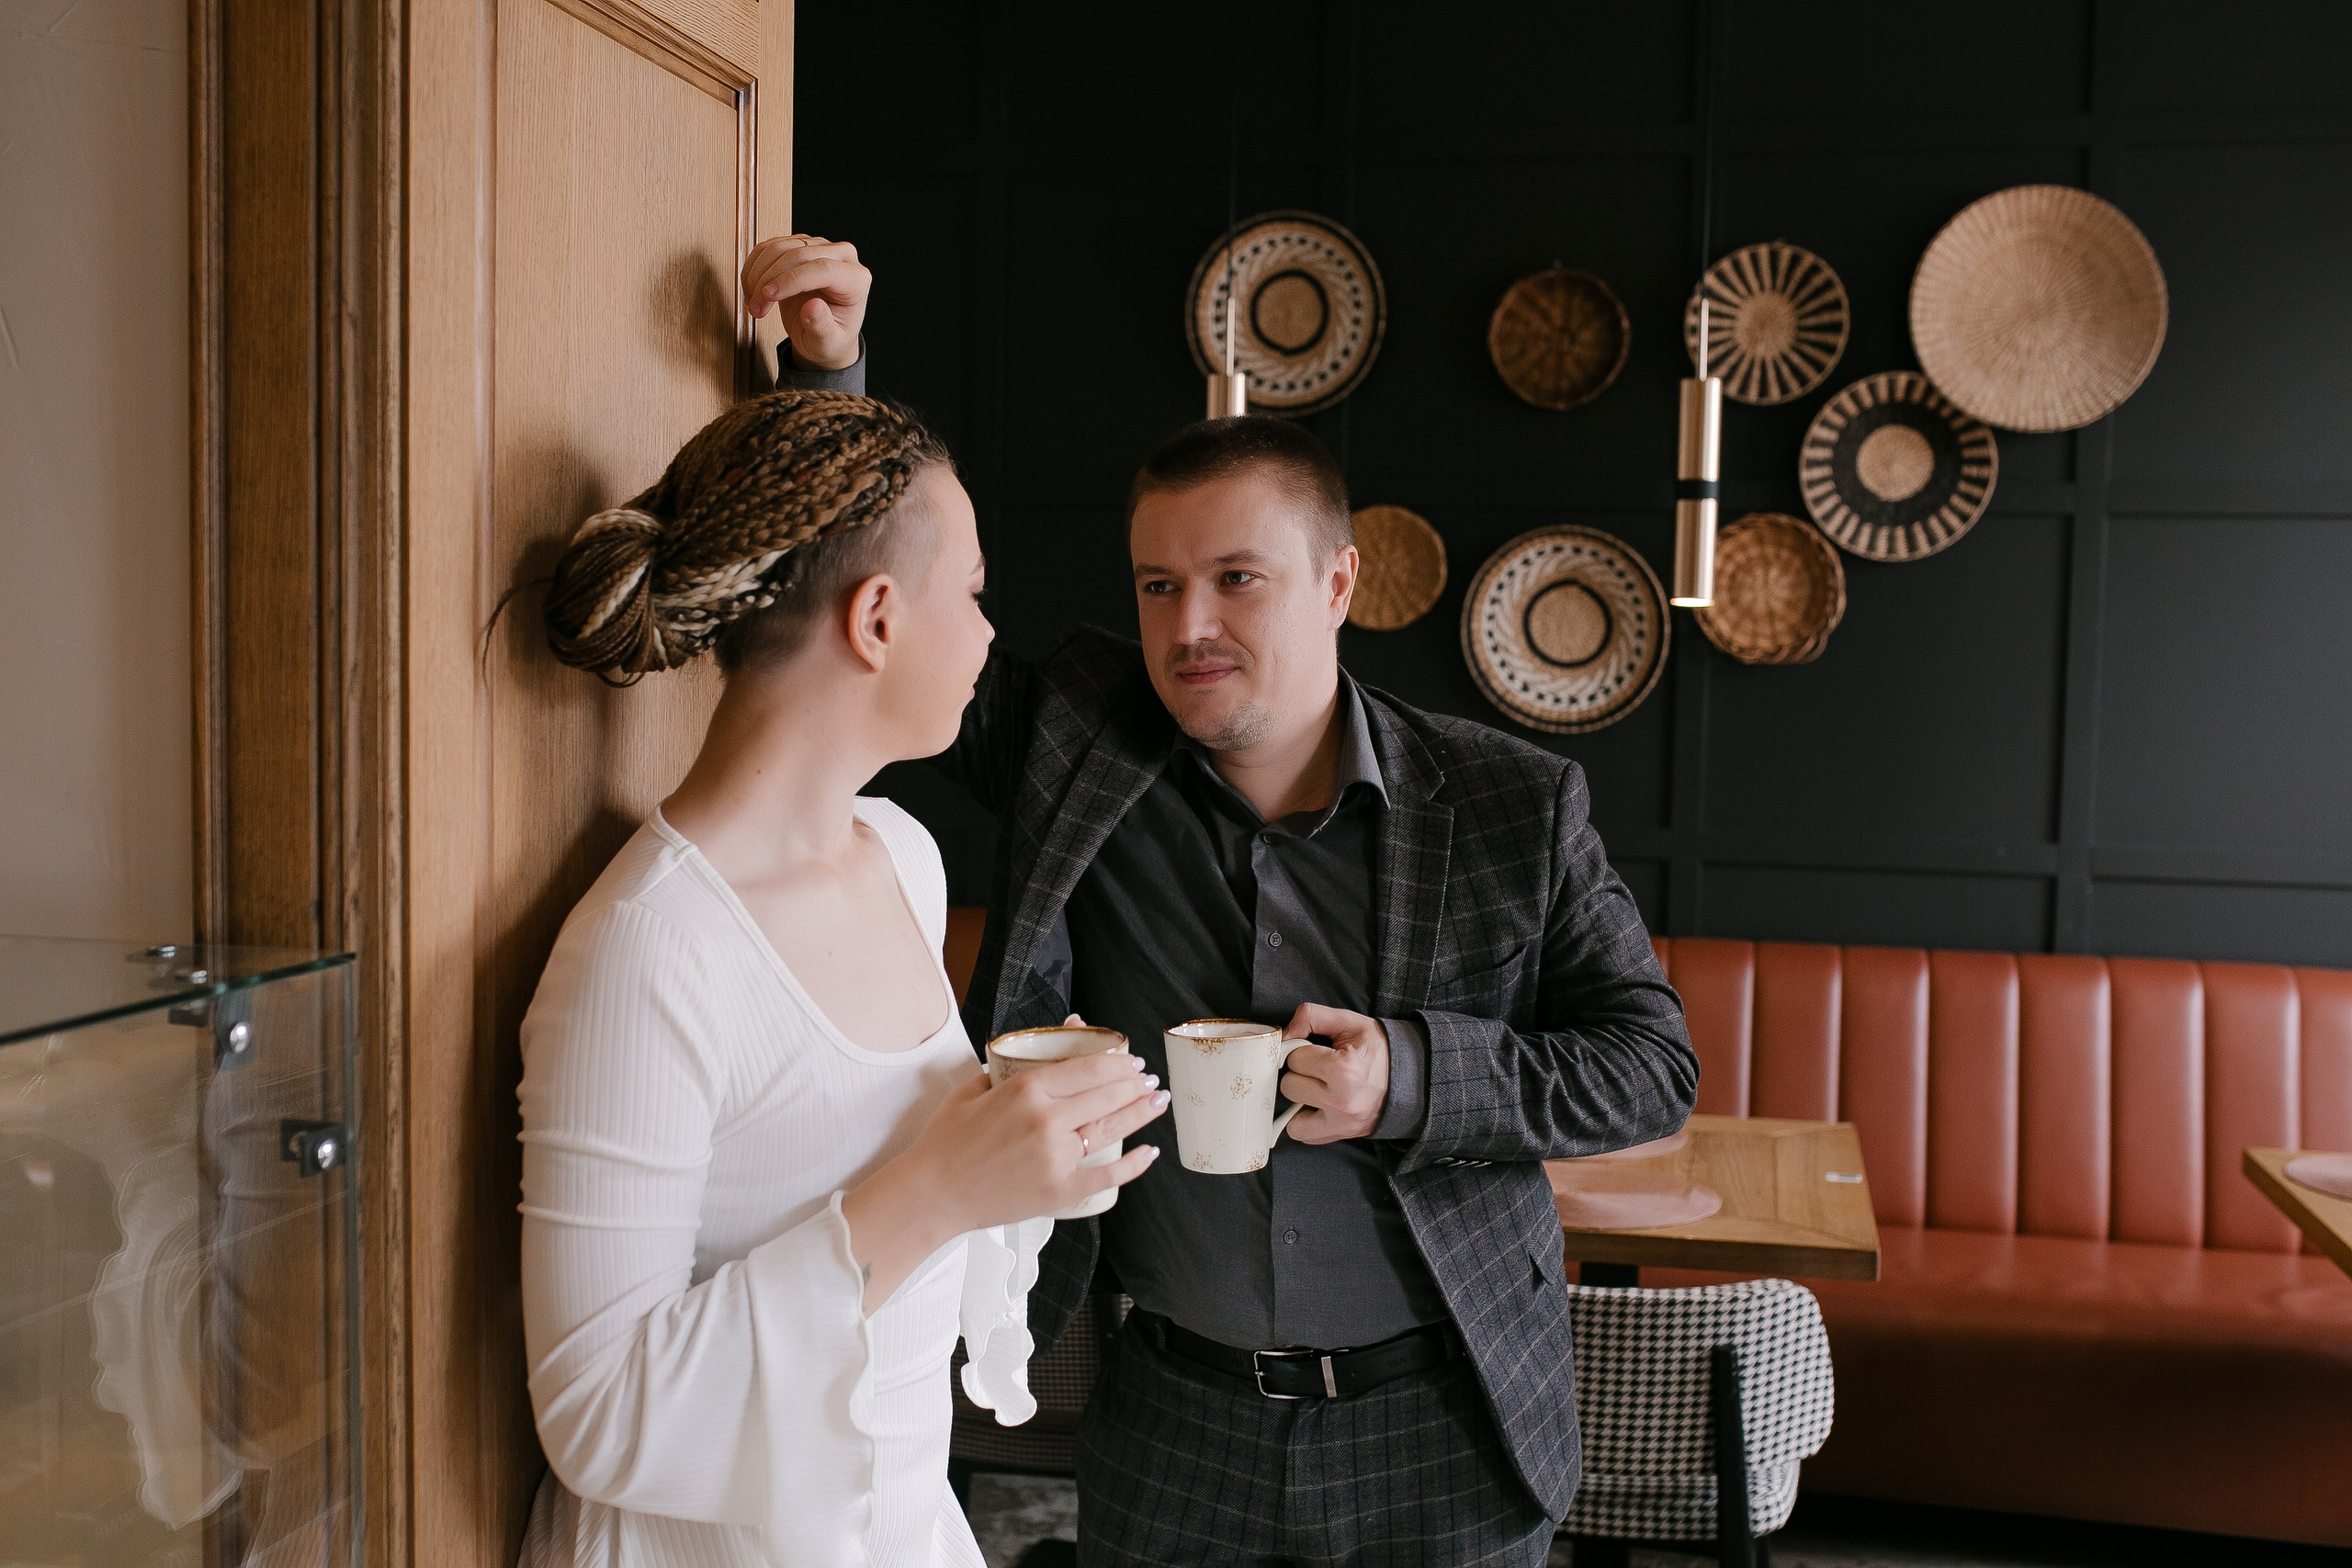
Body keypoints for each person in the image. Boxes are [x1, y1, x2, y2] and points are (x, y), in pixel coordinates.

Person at [744, 235, 1700, 1564]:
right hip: (1173, 1416)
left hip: (1439, 1423)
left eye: (1236, 578)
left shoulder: (1509, 803)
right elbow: (880, 602)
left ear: (1339, 583)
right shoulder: (1078, 739)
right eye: (1157, 584)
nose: (1189, 624)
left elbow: (1651, 1069)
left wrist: (1410, 1080)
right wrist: (833, 373)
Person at [513, 382, 1168, 1567]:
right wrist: (945, 1188)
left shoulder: (904, 857)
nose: (984, 635)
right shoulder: (650, 949)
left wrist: (1015, 1147)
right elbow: (594, 1417)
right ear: (875, 619)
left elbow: (868, 1178)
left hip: (898, 1526)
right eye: (969, 594)